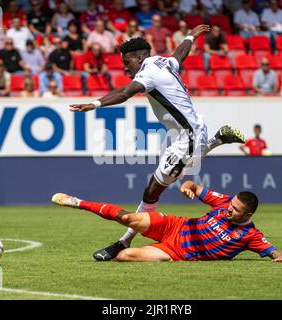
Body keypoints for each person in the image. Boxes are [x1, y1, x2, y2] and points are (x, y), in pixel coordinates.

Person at [69, 26, 246, 261]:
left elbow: (125, 92)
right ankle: (217, 139)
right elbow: (180, 55)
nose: (125, 67)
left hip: (188, 137)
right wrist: (190, 36)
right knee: (157, 186)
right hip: (189, 133)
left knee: (153, 190)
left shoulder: (147, 72)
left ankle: (123, 242)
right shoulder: (163, 63)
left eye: (127, 62)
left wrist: (95, 104)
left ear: (140, 58)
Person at [51, 180, 282, 262]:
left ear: (248, 216)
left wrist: (278, 258)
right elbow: (192, 185)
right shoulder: (224, 202)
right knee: (129, 218)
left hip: (175, 252)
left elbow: (273, 252)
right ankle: (77, 202)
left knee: (123, 258)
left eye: (235, 210)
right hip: (176, 225)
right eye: (231, 205)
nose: (229, 210)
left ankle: (122, 246)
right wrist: (187, 188)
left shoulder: (251, 235)